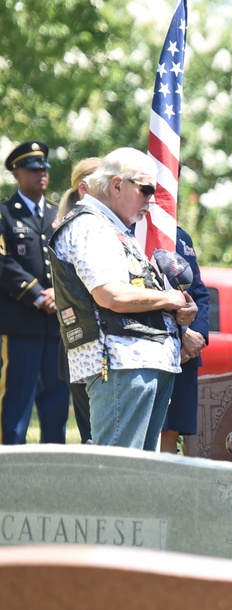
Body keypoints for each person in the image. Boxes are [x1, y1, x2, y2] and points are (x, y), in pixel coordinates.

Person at [49, 147, 197, 451]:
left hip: (136, 364)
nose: (152, 199)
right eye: (145, 189)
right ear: (117, 185)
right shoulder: (89, 225)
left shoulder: (112, 227)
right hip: (120, 364)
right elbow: (111, 294)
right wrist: (168, 299)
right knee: (116, 477)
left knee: (135, 477)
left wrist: (176, 310)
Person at [0, 141, 70, 444]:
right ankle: (9, 469)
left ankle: (52, 468)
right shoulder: (4, 214)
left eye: (44, 168)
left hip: (57, 326)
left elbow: (71, 260)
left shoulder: (59, 215)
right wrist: (38, 294)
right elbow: (3, 262)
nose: (41, 173)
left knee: (56, 403)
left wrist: (59, 292)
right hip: (20, 325)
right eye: (32, 168)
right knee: (17, 400)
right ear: (16, 173)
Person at [55, 156, 103, 443]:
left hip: (89, 343)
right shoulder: (80, 227)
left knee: (97, 435)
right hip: (86, 343)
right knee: (95, 435)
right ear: (85, 189)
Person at [159, 226, 210, 453]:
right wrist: (182, 334)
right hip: (153, 347)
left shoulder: (178, 235)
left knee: (172, 430)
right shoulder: (129, 227)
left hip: (184, 357)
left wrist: (197, 336)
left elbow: (198, 292)